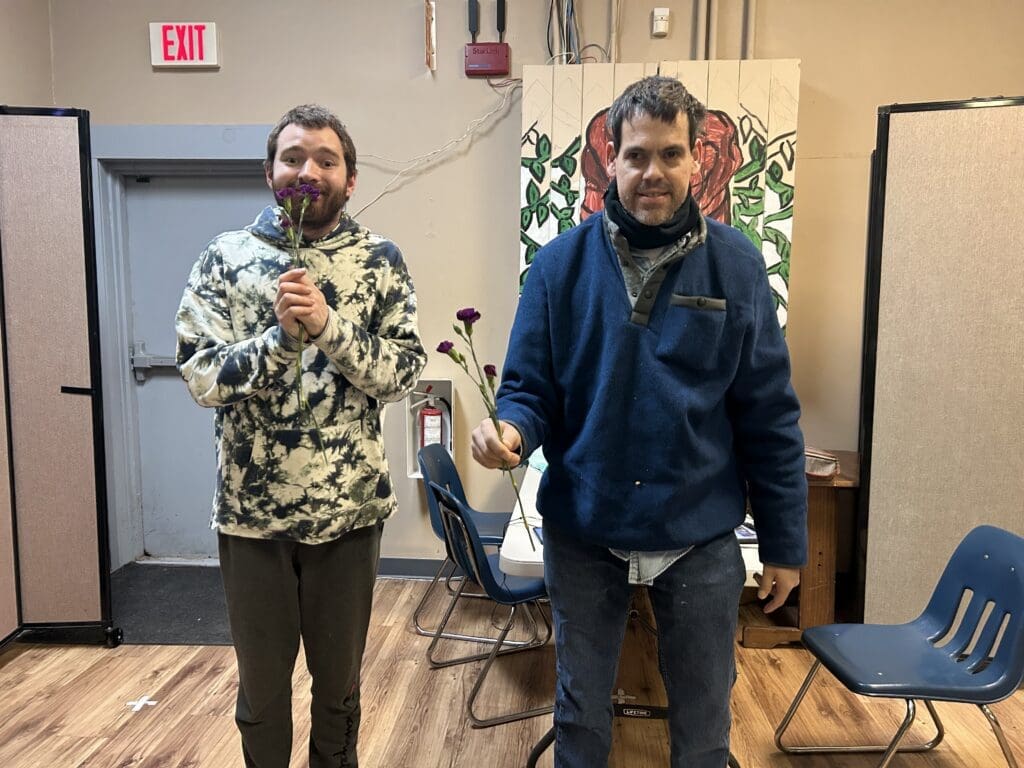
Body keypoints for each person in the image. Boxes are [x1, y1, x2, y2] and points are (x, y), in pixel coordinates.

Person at [471, 77, 807, 768]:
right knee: (581, 712)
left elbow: (768, 414)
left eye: (670, 153)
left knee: (706, 717)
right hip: (586, 528)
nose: (652, 172)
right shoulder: (558, 267)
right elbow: (531, 389)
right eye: (636, 155)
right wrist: (511, 432)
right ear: (610, 162)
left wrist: (785, 542)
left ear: (697, 161)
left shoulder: (738, 265)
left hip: (700, 533)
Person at [175, 104, 426, 768]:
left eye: (325, 159)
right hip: (252, 520)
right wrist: (279, 342)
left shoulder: (379, 261)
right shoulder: (225, 258)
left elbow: (402, 372)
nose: (307, 171)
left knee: (338, 692)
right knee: (261, 693)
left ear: (351, 179)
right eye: (292, 158)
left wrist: (330, 328)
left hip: (348, 518)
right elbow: (201, 377)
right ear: (269, 173)